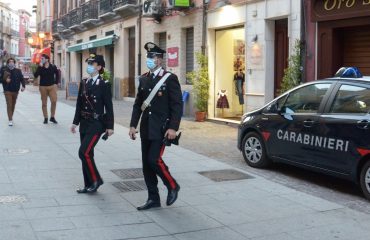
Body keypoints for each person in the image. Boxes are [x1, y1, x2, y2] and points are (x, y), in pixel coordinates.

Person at [129, 42, 182, 210]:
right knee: (146, 164)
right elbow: (138, 105)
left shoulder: (170, 78)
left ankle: (172, 185)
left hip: (161, 129)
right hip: (146, 128)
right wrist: (132, 125)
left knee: (154, 159)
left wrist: (173, 127)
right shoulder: (144, 78)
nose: (149, 60)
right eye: (148, 57)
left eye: (152, 57)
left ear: (159, 60)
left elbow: (177, 105)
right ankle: (153, 198)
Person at [70, 54, 114, 194]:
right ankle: (88, 184)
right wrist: (75, 122)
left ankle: (96, 180)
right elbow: (79, 104)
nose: (89, 65)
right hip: (84, 123)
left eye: (92, 63)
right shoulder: (84, 82)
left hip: (97, 124)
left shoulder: (104, 84)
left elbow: (109, 107)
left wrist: (110, 126)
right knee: (89, 154)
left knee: (84, 152)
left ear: (99, 67)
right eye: (88, 62)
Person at [33, 54, 60, 124]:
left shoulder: (53, 66)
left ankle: (52, 117)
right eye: (41, 59)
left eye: (43, 58)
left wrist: (56, 83)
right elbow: (35, 75)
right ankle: (46, 117)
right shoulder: (40, 67)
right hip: (43, 87)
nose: (41, 60)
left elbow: (57, 73)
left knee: (54, 101)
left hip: (52, 86)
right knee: (44, 103)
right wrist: (39, 67)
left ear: (47, 59)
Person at [0, 58, 25, 126]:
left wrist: (23, 86)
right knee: (9, 104)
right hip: (7, 90)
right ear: (8, 63)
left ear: (14, 63)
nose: (11, 63)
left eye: (12, 62)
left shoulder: (18, 71)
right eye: (10, 62)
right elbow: (1, 79)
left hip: (15, 91)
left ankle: (10, 116)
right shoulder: (4, 70)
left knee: (13, 105)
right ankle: (10, 119)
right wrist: (5, 80)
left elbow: (22, 79)